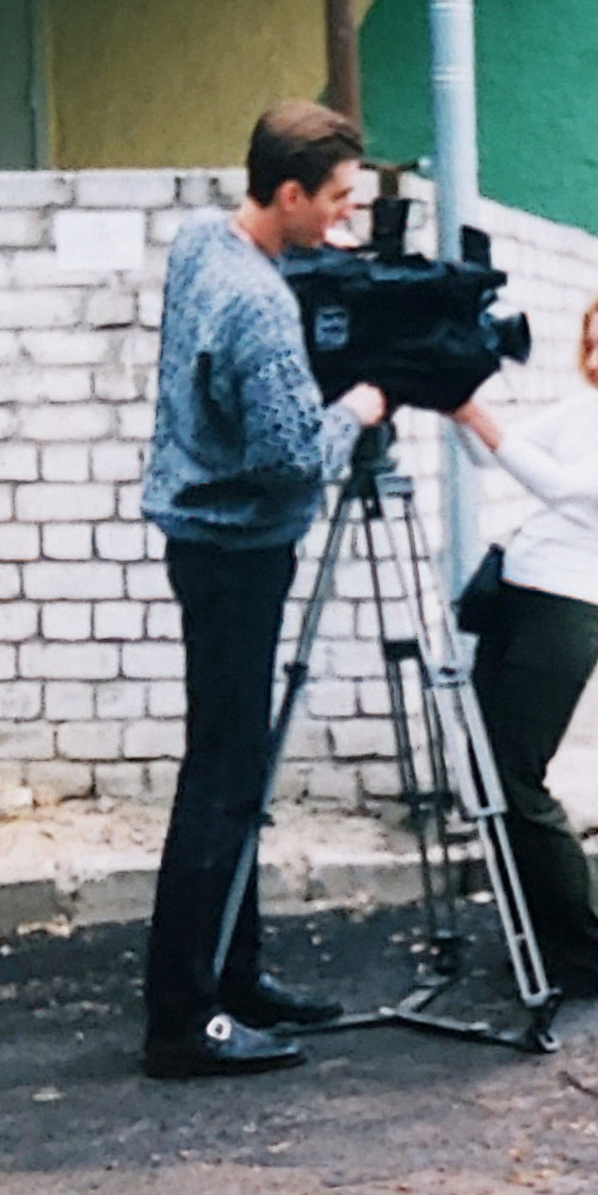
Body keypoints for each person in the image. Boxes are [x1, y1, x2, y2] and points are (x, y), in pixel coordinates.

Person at [136, 100, 389, 1080]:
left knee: (229, 773)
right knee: (223, 782)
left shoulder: (204, 240)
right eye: (334, 204)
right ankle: (181, 1017)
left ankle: (234, 978)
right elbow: (291, 459)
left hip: (203, 537)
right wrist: (360, 406)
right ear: (287, 193)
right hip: (239, 550)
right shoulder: (257, 304)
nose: (345, 222)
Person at [447, 293, 598, 1000]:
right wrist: (458, 391)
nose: (595, 361)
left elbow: (562, 486)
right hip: (518, 599)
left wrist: (475, 413)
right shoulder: (596, 409)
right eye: (590, 344)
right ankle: (546, 940)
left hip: (564, 611)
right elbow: (489, 451)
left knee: (518, 780)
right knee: (487, 774)